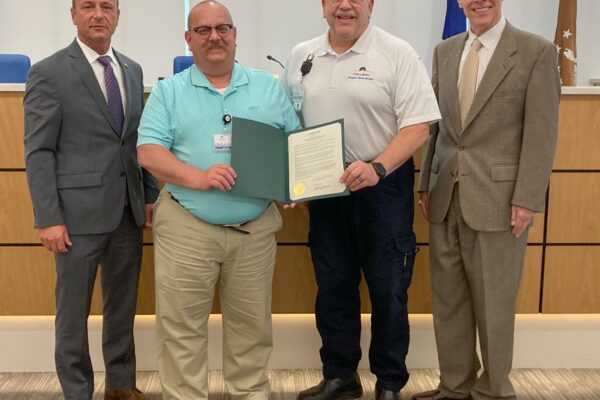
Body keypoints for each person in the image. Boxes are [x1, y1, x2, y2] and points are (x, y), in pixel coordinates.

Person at [136, 1, 300, 399]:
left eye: (223, 28)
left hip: (254, 231)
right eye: (204, 30)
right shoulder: (168, 91)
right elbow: (148, 152)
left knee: (251, 330)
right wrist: (199, 177)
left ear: (235, 34)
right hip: (188, 228)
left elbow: (295, 145)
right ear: (188, 39)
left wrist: (295, 184)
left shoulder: (267, 86)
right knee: (181, 331)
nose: (215, 37)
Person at [282, 1, 440, 399]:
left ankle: (389, 383)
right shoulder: (303, 55)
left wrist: (379, 167)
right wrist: (295, 181)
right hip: (325, 189)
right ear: (323, 6)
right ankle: (340, 376)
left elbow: (419, 125)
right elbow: (288, 122)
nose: (345, 6)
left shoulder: (397, 52)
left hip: (382, 186)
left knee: (388, 288)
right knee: (333, 286)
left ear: (370, 5)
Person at [412, 1, 560, 399]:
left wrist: (527, 198)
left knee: (494, 304)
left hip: (501, 200)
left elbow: (542, 133)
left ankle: (495, 389)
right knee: (449, 301)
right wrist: (426, 182)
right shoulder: (445, 50)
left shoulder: (536, 51)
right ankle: (455, 386)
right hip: (445, 196)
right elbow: (439, 127)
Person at [23, 0, 159, 399]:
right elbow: (39, 151)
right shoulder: (48, 72)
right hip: (74, 217)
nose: (98, 14)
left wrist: (148, 195)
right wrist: (48, 217)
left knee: (122, 307)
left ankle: (120, 385)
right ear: (73, 14)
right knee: (72, 314)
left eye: (107, 6)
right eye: (88, 6)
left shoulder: (132, 70)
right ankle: (77, 391)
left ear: (118, 15)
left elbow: (137, 141)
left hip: (127, 211)